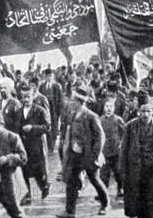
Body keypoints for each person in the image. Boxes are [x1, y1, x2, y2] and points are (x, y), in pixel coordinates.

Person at [118, 93, 153, 218]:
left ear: (152, 111)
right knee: (139, 201)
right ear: (138, 111)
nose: (145, 114)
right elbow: (124, 150)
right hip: (136, 169)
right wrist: (122, 169)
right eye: (142, 111)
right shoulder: (130, 126)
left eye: (148, 111)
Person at [57, 86, 108, 217]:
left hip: (89, 156)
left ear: (80, 101)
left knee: (95, 180)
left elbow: (100, 137)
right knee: (71, 181)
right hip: (75, 155)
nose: (70, 102)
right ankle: (70, 211)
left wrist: (94, 156)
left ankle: (105, 204)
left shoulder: (91, 116)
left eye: (73, 100)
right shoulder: (73, 114)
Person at [0, 110, 27, 218]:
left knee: (15, 210)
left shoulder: (13, 137)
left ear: (2, 124)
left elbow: (23, 157)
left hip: (9, 181)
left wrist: (8, 158)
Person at [16, 83, 51, 206]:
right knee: (24, 168)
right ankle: (27, 195)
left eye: (28, 97)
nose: (26, 100)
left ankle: (44, 185)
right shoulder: (19, 111)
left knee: (36, 169)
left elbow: (47, 127)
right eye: (23, 97)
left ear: (33, 96)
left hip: (36, 145)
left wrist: (32, 128)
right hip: (23, 145)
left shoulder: (40, 111)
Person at [99, 97, 125, 199]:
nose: (109, 108)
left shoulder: (118, 119)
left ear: (114, 108)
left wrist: (121, 144)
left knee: (118, 171)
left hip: (116, 150)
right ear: (104, 108)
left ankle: (120, 188)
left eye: (111, 106)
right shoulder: (100, 120)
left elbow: (124, 133)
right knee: (104, 173)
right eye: (107, 106)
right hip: (104, 150)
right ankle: (103, 192)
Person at [39, 67, 64, 153]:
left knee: (53, 128)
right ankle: (47, 145)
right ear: (45, 76)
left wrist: (59, 112)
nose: (49, 77)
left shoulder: (57, 86)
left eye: (51, 76)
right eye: (47, 76)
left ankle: (52, 147)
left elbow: (61, 100)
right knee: (46, 127)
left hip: (54, 111)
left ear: (53, 76)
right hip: (45, 111)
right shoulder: (42, 86)